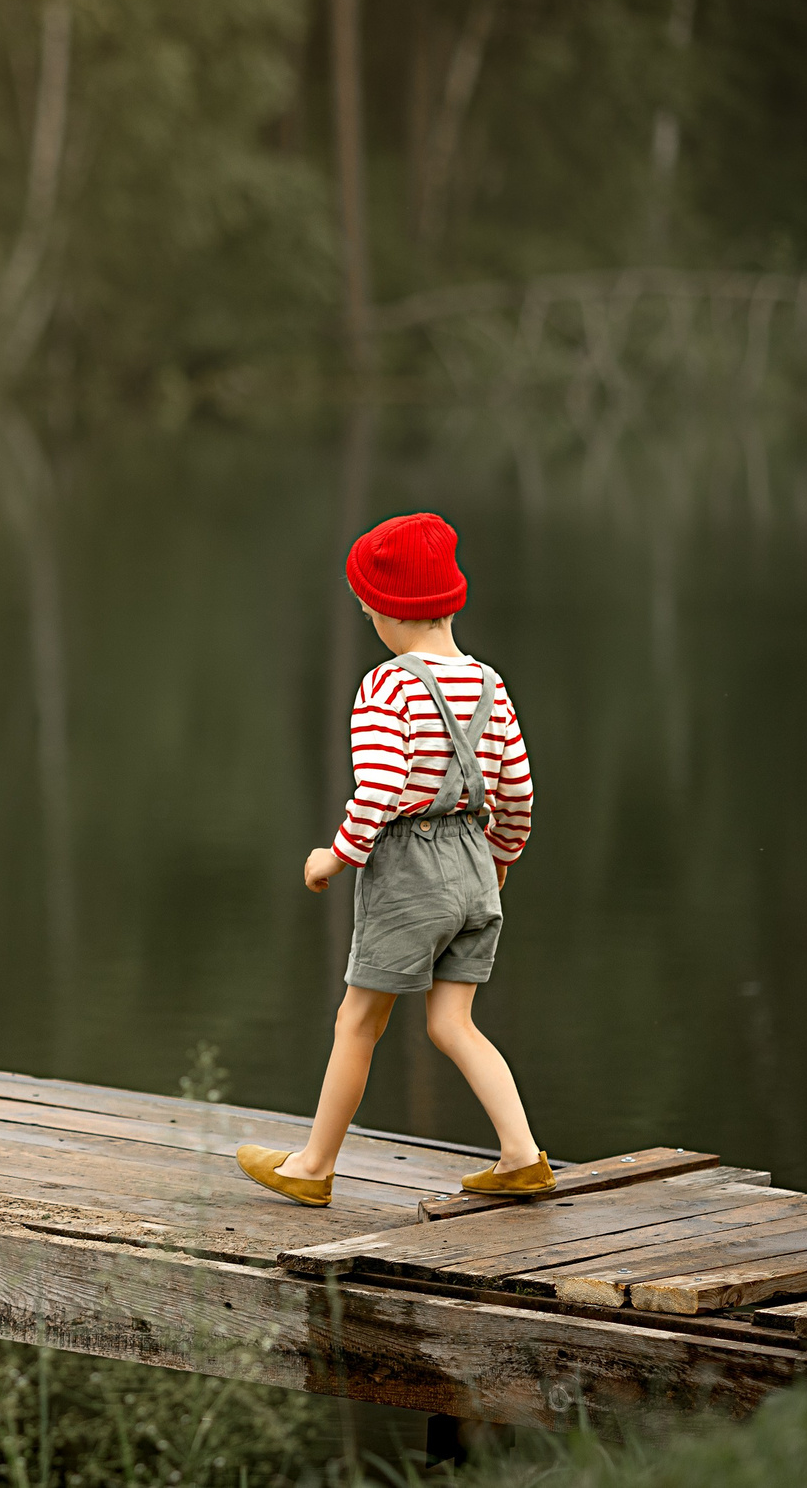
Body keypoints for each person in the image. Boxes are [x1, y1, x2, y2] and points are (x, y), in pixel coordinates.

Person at [236, 512, 552, 1207]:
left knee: (359, 1020)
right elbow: (517, 788)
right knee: (452, 1023)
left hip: (411, 870)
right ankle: (522, 1153)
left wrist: (335, 856)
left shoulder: (387, 688)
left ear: (386, 609)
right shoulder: (491, 685)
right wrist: (501, 857)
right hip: (475, 864)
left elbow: (378, 790)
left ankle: (313, 1166)